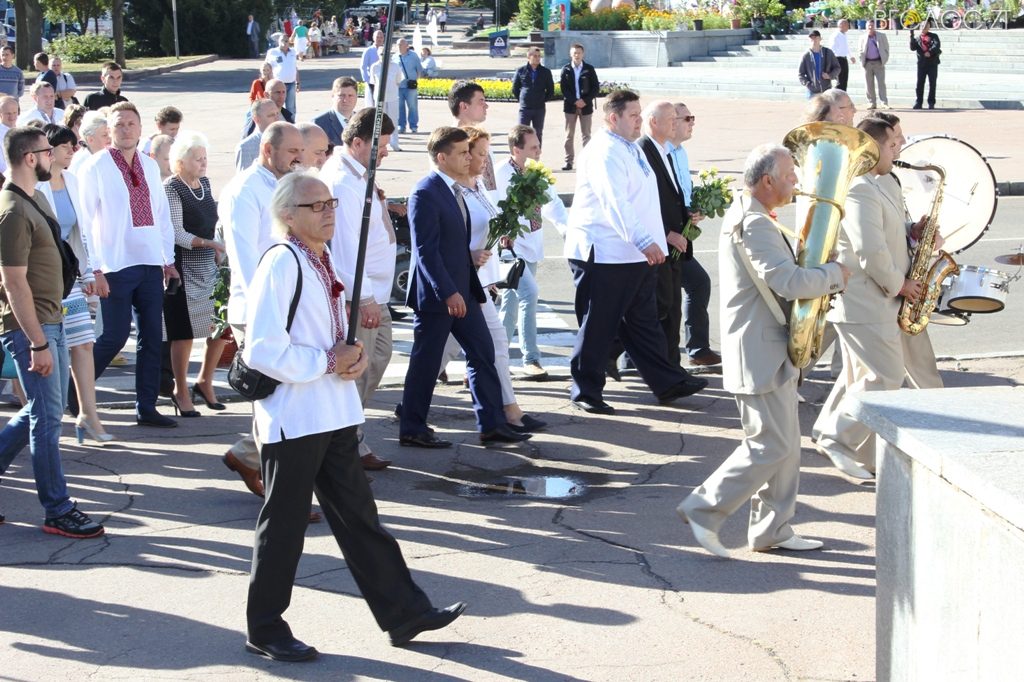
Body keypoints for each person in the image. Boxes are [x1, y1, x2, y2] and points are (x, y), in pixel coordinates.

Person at [242, 171, 466, 663]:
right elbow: (260, 349)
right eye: (315, 206)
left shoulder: (322, 258)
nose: (327, 212)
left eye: (331, 204)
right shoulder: (281, 262)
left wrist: (354, 359)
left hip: (333, 412)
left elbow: (329, 337)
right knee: (284, 527)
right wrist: (329, 361)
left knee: (360, 519)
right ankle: (265, 628)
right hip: (295, 417)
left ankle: (405, 613)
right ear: (288, 215)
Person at [677, 143, 850, 558]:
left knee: (786, 449)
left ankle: (772, 530)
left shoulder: (754, 214)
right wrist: (834, 274)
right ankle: (704, 508)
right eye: (790, 175)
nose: (797, 182)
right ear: (768, 180)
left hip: (769, 349)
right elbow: (788, 282)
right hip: (759, 351)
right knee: (769, 446)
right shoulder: (754, 224)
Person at [563, 89, 707, 415]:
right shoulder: (604, 152)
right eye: (633, 115)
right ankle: (585, 390)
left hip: (633, 255)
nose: (639, 120)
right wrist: (645, 240)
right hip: (604, 253)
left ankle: (667, 381)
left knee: (643, 323)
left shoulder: (629, 147)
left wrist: (654, 240)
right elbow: (615, 203)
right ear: (613, 118)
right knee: (599, 323)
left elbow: (645, 201)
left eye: (640, 114)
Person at [0, 125, 105, 537]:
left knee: (44, 408)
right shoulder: (12, 210)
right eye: (48, 151)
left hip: (53, 316)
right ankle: (57, 509)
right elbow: (13, 283)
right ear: (31, 158)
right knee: (46, 418)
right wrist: (37, 343)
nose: (54, 156)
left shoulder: (36, 198)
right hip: (33, 327)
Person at [399, 127, 530, 448]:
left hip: (465, 288)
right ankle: (412, 428)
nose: (468, 157)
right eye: (461, 153)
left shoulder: (457, 189)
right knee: (426, 362)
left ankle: (492, 424)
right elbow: (426, 251)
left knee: (483, 352)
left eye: (468, 152)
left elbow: (456, 243)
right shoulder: (425, 192)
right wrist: (447, 292)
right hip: (439, 296)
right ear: (442, 158)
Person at [812, 117, 922, 480]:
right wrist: (901, 285)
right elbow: (870, 251)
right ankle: (838, 437)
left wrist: (913, 232)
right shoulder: (859, 187)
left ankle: (833, 435)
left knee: (859, 377)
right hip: (865, 300)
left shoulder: (885, 181)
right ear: (873, 148)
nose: (900, 146)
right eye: (894, 142)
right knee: (886, 376)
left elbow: (886, 232)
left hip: (877, 301)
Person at [76, 101, 180, 428]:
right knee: (114, 336)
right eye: (119, 124)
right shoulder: (95, 166)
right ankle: (73, 393)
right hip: (115, 263)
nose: (125, 129)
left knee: (152, 337)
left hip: (149, 262)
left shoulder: (149, 165)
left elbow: (161, 215)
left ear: (140, 128)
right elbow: (84, 221)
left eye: (131, 124)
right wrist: (93, 268)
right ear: (109, 130)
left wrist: (168, 259)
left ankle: (146, 407)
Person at [219, 121, 304, 496]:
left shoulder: (286, 185)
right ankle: (277, 487)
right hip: (257, 309)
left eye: (301, 151)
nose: (299, 158)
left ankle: (247, 456)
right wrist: (269, 309)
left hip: (287, 306)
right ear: (268, 150)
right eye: (292, 151)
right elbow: (244, 259)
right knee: (273, 399)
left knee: (281, 398)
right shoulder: (245, 190)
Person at [454, 127, 548, 433]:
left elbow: (488, 232)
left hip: (480, 283)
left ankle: (507, 411)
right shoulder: (454, 191)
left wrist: (490, 274)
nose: (486, 160)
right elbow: (451, 240)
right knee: (436, 353)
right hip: (459, 286)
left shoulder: (478, 186)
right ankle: (412, 413)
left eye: (487, 153)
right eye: (481, 154)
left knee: (494, 346)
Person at [319, 108, 397, 470]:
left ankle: (350, 438)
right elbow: (346, 248)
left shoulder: (359, 175)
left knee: (376, 360)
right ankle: (342, 447)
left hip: (375, 292)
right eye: (381, 145)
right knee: (355, 372)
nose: (386, 152)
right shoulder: (342, 181)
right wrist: (362, 297)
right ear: (357, 143)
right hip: (360, 295)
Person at [36, 123, 112, 445]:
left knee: (83, 343)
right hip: (45, 279)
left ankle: (88, 415)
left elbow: (83, 233)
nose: (72, 151)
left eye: (74, 145)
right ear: (49, 150)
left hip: (71, 276)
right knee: (54, 349)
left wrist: (90, 272)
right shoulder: (34, 186)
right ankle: (46, 419)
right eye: (66, 146)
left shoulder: (72, 180)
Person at [640, 101, 718, 370]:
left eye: (685, 118)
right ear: (657, 122)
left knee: (671, 297)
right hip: (661, 239)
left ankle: (685, 354)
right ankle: (689, 352)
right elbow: (648, 202)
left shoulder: (678, 153)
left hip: (678, 234)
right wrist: (666, 233)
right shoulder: (648, 151)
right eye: (684, 118)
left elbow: (680, 193)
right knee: (666, 298)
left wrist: (694, 211)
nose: (689, 123)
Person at [495, 124, 568, 380]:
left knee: (510, 305)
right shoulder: (502, 173)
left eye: (539, 146)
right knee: (529, 295)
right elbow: (493, 206)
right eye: (533, 147)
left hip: (532, 246)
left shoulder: (536, 172)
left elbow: (553, 204)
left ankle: (496, 358)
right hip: (511, 248)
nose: (539, 151)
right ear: (517, 149)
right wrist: (503, 232)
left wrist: (567, 230)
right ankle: (531, 359)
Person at [162, 132, 226, 418]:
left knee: (220, 327)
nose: (203, 162)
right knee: (183, 333)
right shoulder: (172, 187)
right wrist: (209, 243)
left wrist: (216, 244)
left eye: (204, 157)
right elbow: (175, 232)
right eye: (197, 158)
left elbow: (214, 220)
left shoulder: (206, 183)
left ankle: (205, 381)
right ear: (180, 161)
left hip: (208, 266)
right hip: (182, 267)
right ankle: (181, 390)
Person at [448, 81, 494, 189]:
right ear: (464, 106)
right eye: (481, 102)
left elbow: (490, 187)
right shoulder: (449, 144)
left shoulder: (480, 138)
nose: (486, 106)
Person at [559, 43, 598, 172]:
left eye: (579, 53)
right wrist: (575, 101)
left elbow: (595, 88)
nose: (577, 55)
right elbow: (564, 89)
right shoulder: (566, 69)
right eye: (574, 53)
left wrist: (585, 101)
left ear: (583, 54)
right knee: (569, 135)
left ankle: (587, 161)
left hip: (586, 106)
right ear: (571, 54)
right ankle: (568, 161)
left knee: (586, 135)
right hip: (570, 106)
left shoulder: (589, 69)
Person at [511, 48, 555, 146]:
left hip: (539, 109)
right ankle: (522, 154)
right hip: (525, 109)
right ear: (528, 57)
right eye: (535, 56)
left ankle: (536, 153)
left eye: (539, 56)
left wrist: (542, 99)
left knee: (537, 133)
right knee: (521, 133)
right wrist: (523, 99)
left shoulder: (545, 72)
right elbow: (515, 89)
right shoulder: (521, 70)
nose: (538, 58)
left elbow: (550, 90)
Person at [313, 76, 358, 148]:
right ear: (332, 96)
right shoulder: (319, 123)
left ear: (356, 97)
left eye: (350, 95)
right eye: (341, 95)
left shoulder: (362, 120)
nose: (346, 100)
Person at [236, 99, 280, 171]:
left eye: (277, 113)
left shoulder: (286, 140)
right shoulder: (246, 147)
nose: (277, 118)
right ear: (256, 119)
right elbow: (244, 176)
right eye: (271, 115)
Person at [370, 55, 401, 152]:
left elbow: (398, 81)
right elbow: (373, 82)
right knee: (379, 121)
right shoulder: (374, 66)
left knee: (393, 121)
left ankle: (394, 143)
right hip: (379, 98)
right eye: (381, 54)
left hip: (392, 98)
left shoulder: (395, 66)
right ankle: (378, 143)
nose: (383, 56)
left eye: (385, 54)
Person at [395, 38, 424, 135]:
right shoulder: (395, 56)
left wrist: (415, 80)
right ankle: (401, 126)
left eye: (401, 44)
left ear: (406, 46)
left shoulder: (413, 55)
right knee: (400, 107)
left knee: (412, 106)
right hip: (399, 86)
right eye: (398, 45)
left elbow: (419, 69)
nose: (399, 46)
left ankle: (413, 126)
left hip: (410, 86)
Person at [798, 30, 840, 97]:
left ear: (820, 38)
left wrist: (830, 75)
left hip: (827, 90)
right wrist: (808, 84)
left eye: (816, 37)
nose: (814, 40)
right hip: (812, 92)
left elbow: (837, 68)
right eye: (811, 38)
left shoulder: (828, 52)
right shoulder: (806, 55)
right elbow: (800, 74)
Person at [265, 36, 300, 116]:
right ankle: (275, 121)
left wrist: (298, 82)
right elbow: (267, 67)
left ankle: (291, 122)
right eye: (282, 40)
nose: (284, 42)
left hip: (291, 83)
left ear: (289, 42)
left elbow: (295, 67)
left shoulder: (293, 52)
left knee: (291, 108)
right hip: (277, 85)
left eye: (286, 41)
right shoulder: (272, 52)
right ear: (278, 41)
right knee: (275, 105)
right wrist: (268, 82)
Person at [859, 21, 890, 110]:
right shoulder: (862, 37)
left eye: (872, 25)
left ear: (875, 26)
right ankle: (871, 102)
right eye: (869, 26)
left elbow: (886, 48)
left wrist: (884, 59)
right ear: (866, 27)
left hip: (878, 63)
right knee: (869, 84)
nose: (870, 27)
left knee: (881, 84)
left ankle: (884, 103)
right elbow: (860, 50)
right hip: (867, 63)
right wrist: (862, 62)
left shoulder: (882, 36)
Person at [910, 23, 941, 110]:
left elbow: (937, 45)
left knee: (932, 84)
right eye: (922, 27)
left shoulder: (934, 36)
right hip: (922, 64)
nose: (923, 28)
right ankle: (918, 102)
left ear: (928, 27)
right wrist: (911, 36)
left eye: (925, 27)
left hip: (932, 63)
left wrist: (930, 52)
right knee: (920, 84)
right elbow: (912, 48)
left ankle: (931, 102)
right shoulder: (917, 38)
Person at [360, 31, 385, 106]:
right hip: (371, 81)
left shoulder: (385, 50)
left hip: (383, 81)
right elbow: (363, 66)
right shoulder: (368, 50)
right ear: (373, 38)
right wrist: (367, 80)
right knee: (370, 103)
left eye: (381, 37)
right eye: (377, 37)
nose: (379, 39)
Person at [830, 19, 855, 91]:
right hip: (837, 59)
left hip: (844, 59)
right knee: (840, 80)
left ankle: (843, 94)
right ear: (840, 25)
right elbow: (832, 48)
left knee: (844, 80)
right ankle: (837, 95)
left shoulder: (844, 35)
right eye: (846, 25)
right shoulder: (835, 35)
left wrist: (851, 56)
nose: (848, 26)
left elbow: (846, 47)